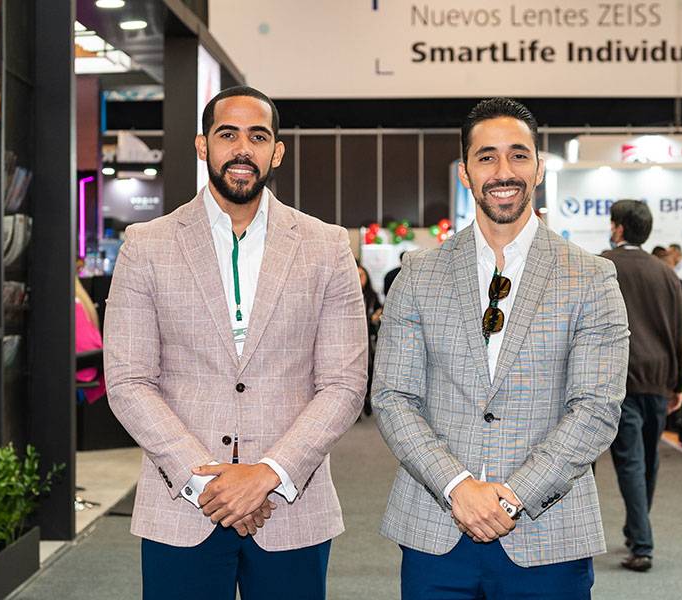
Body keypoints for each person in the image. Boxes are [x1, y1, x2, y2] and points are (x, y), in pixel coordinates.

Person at [104, 86, 367, 600]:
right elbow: (129, 381)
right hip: (183, 505)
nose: (243, 149)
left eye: (258, 137)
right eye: (228, 135)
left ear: (277, 152)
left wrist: (267, 474)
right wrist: (210, 483)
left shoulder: (327, 246)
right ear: (202, 145)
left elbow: (344, 384)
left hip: (291, 505)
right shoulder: (147, 245)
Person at [372, 97, 629, 599]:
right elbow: (393, 396)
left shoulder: (592, 277)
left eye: (518, 155)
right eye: (486, 157)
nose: (503, 171)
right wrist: (457, 487)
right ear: (465, 172)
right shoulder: (419, 274)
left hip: (548, 534)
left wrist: (512, 497)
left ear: (538, 168)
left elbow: (596, 408)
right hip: (436, 529)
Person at [602, 200, 682, 573]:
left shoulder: (602, 265)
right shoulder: (666, 273)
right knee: (649, 460)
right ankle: (637, 531)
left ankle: (642, 544)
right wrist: (680, 381)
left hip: (620, 377)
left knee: (631, 461)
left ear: (620, 228)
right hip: (659, 377)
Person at [358, 263, 382, 416]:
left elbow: (380, 310)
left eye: (361, 275)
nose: (359, 279)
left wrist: (376, 316)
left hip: (369, 339)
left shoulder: (372, 296)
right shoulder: (346, 296)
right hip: (353, 340)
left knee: (369, 369)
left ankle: (367, 399)